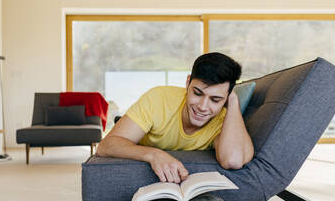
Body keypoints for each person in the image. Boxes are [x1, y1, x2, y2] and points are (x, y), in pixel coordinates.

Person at [96, 52, 254, 184]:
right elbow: (105, 146)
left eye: (215, 99)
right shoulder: (158, 98)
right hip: (137, 132)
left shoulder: (224, 121)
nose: (203, 106)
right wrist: (154, 154)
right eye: (197, 93)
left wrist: (233, 102)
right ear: (187, 82)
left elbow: (232, 160)